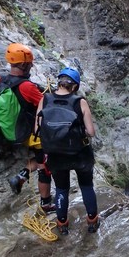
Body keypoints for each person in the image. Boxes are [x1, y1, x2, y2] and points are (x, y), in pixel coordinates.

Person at [0, 43, 55, 212]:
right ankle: (46, 204)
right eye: (30, 63)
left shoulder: (2, 79)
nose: (31, 65)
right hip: (34, 134)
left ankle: (20, 178)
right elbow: (47, 105)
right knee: (46, 167)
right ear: (24, 64)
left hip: (18, 132)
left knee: (40, 159)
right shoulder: (26, 87)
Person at [35, 67, 99, 235]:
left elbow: (37, 128)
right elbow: (91, 132)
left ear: (59, 82)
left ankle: (62, 224)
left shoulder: (45, 99)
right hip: (80, 154)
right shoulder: (80, 102)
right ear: (75, 86)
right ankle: (92, 221)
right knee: (86, 186)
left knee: (62, 188)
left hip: (55, 155)